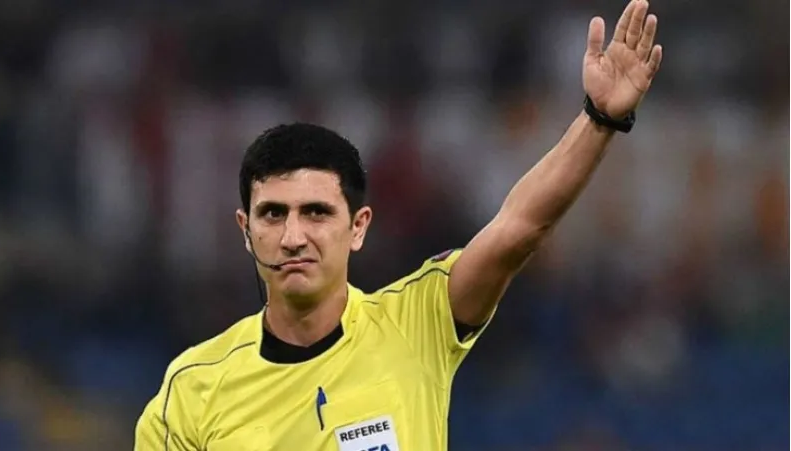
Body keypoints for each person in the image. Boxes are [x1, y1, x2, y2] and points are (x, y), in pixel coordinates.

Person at [134, 0, 663, 449]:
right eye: (273, 214)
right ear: (246, 230)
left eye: (317, 212)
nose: (293, 237)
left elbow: (519, 228)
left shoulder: (416, 324)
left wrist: (599, 120)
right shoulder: (192, 390)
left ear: (358, 227)